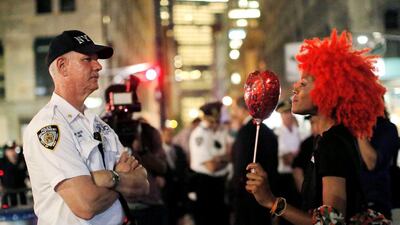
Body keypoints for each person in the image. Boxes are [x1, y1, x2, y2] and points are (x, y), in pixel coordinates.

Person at [245, 29, 387, 224]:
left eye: (303, 84)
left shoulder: (333, 142)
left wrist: (271, 201)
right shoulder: (328, 138)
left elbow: (331, 221)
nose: (294, 87)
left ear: (328, 90)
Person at [23, 30, 149, 225]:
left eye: (96, 60)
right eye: (87, 59)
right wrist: (121, 178)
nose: (98, 66)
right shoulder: (49, 126)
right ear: (62, 66)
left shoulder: (99, 124)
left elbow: (142, 185)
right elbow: (86, 205)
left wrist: (109, 178)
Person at [230, 97, 278, 225]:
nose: (234, 114)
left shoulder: (245, 132)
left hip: (248, 196)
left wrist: (235, 190)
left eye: (235, 109)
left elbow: (241, 167)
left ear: (243, 110)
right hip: (267, 194)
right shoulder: (268, 131)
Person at [189, 101, 231, 225]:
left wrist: (220, 159)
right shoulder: (199, 135)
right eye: (213, 121)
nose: (216, 124)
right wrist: (224, 160)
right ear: (206, 118)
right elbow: (212, 167)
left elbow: (231, 155)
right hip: (205, 185)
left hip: (220, 184)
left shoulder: (219, 131)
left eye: (217, 121)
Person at [358, 110, 399, 219]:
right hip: (353, 203)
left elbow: (372, 163)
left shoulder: (386, 128)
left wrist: (359, 128)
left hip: (375, 204)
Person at [161, 128, 190, 225]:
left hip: (179, 190)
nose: (169, 137)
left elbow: (184, 167)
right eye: (166, 134)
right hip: (166, 191)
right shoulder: (159, 151)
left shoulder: (178, 150)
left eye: (170, 134)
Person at [292, 115, 318, 193]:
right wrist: (306, 194)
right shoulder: (307, 143)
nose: (312, 127)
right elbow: (297, 170)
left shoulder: (332, 142)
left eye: (314, 122)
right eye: (311, 123)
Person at [0, 142, 28, 207]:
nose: (12, 152)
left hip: (21, 192)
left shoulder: (22, 160)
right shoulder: (2, 162)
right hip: (8, 194)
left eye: (13, 149)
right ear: (6, 152)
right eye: (9, 150)